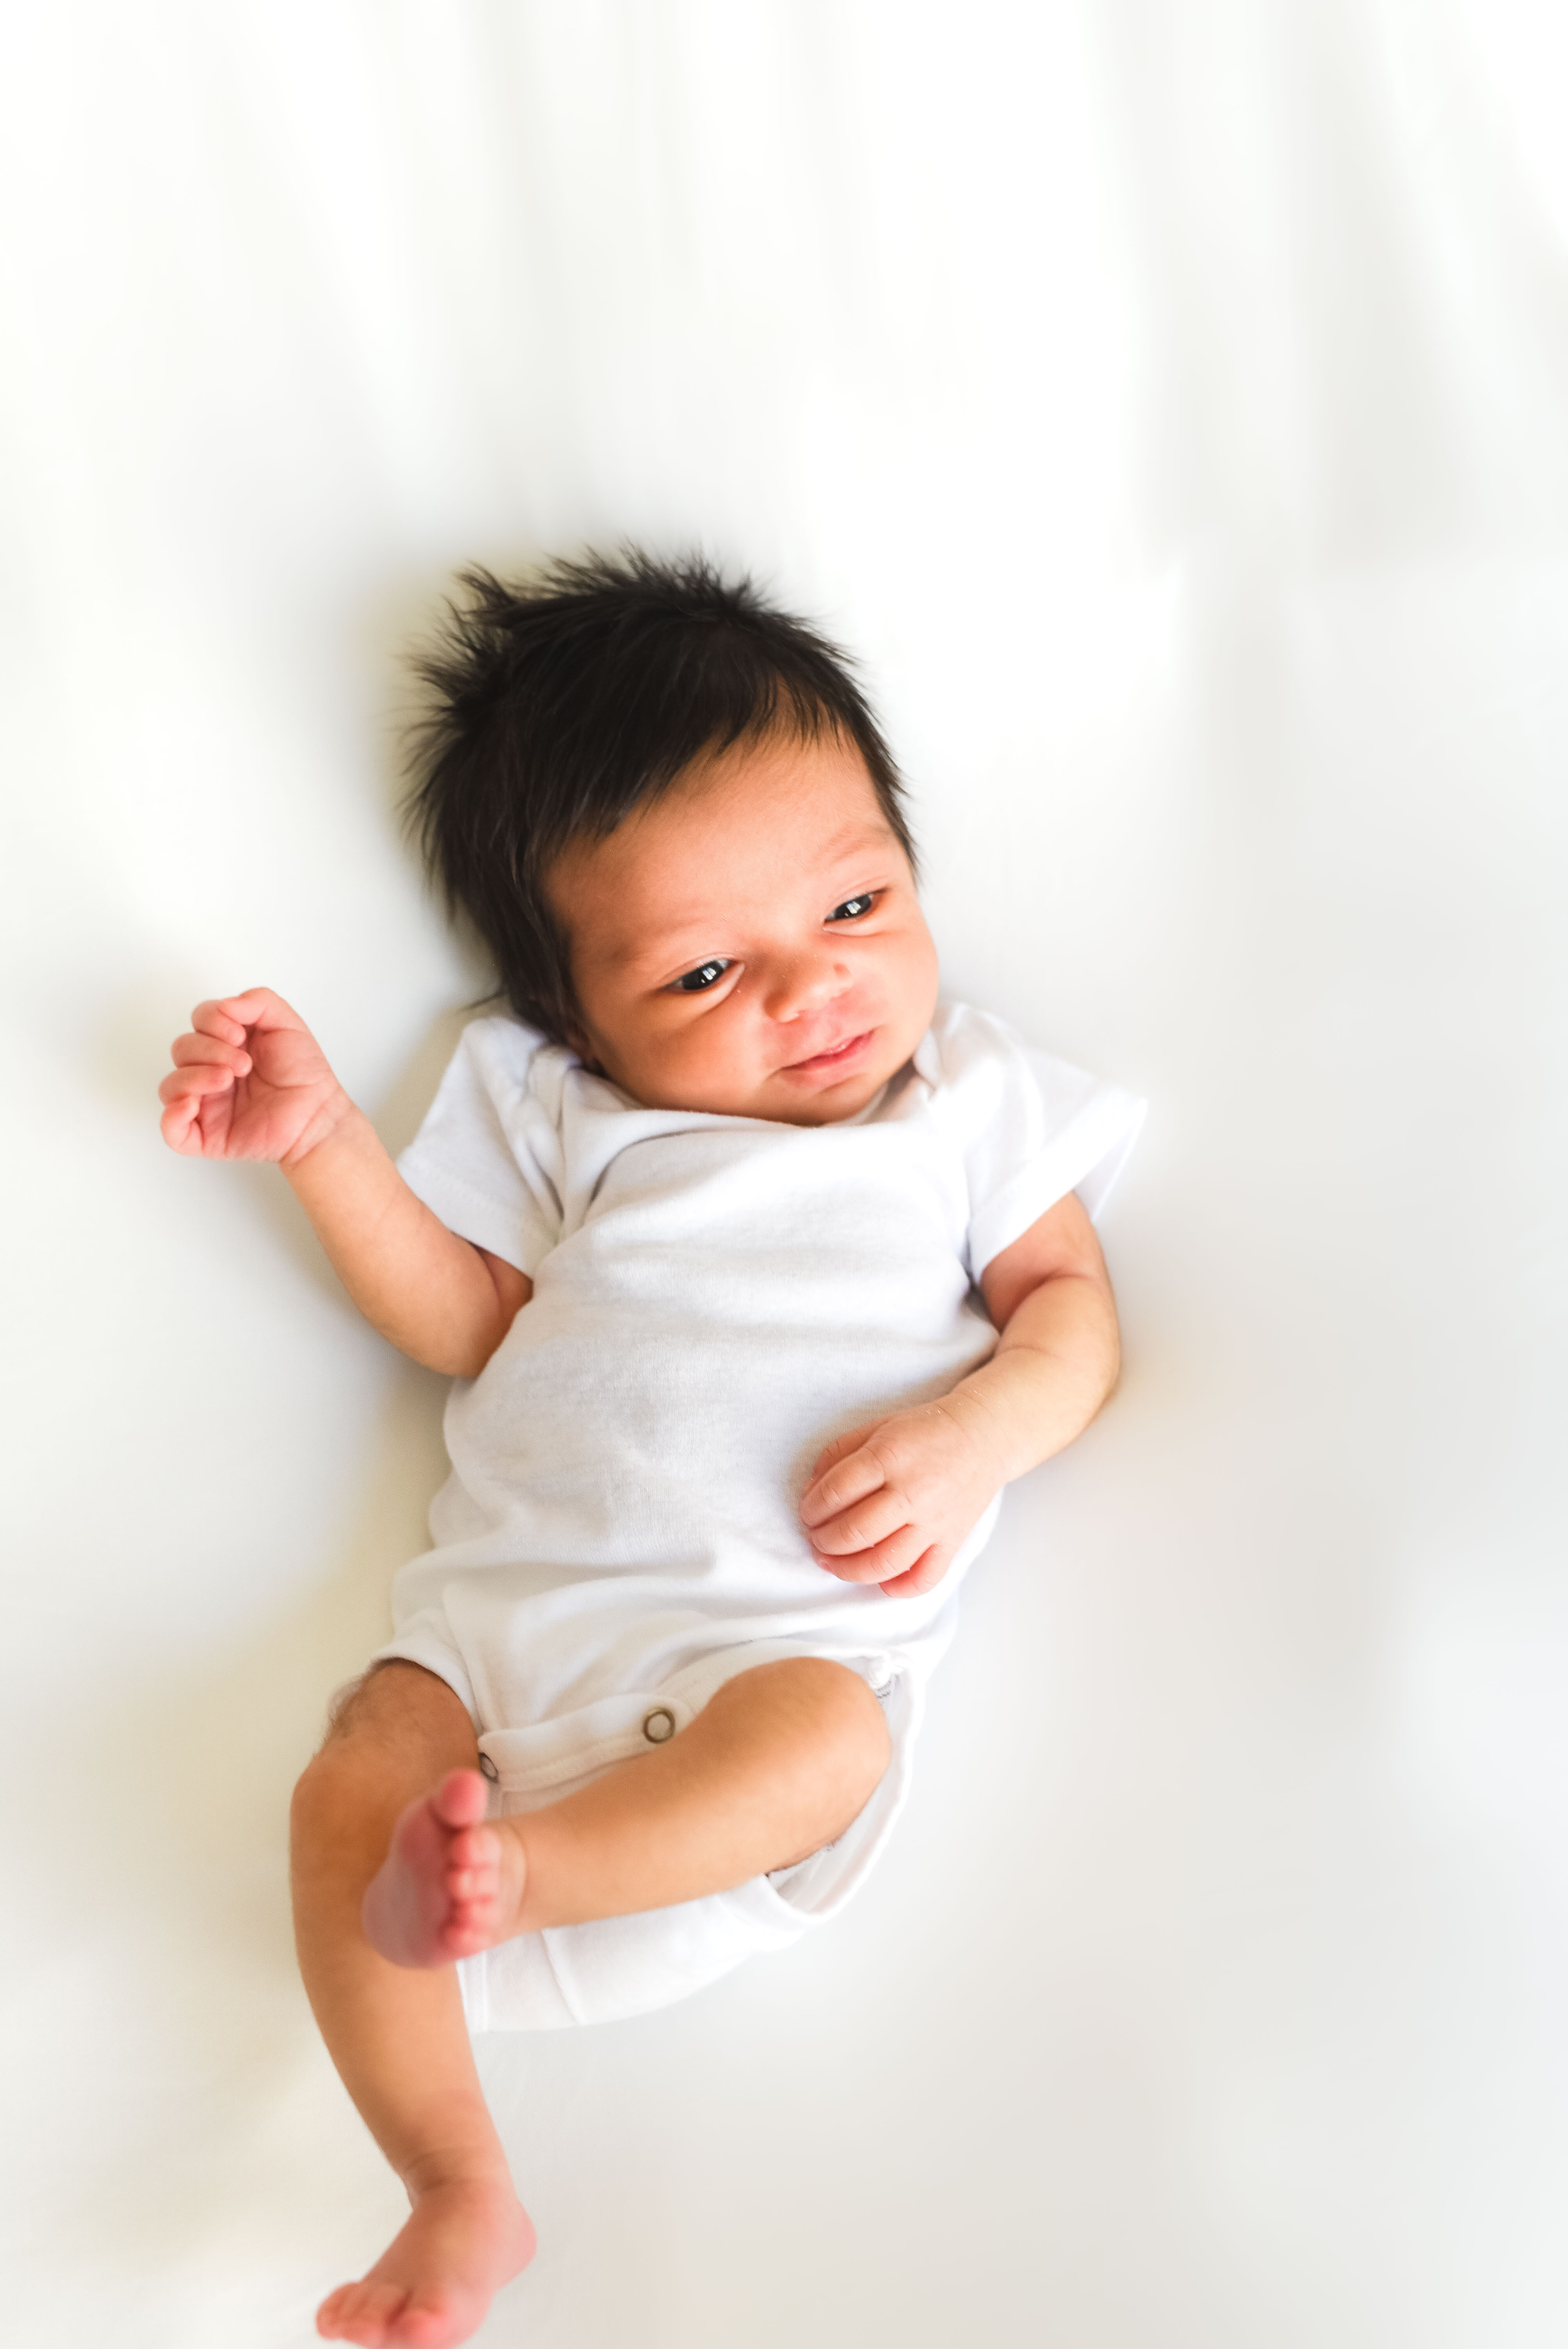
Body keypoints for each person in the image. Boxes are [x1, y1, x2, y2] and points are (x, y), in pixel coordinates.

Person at [158, 551, 1144, 2349]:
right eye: (703, 970)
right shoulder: (558, 1113)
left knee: (830, 1739)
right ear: (574, 1012)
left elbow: (1071, 1314)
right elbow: (469, 1319)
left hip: (760, 1655)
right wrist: (322, 1149)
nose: (810, 989)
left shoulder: (966, 1105)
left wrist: (972, 1433)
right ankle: (454, 2182)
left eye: (855, 902)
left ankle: (534, 1872)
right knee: (344, 1779)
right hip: (496, 1640)